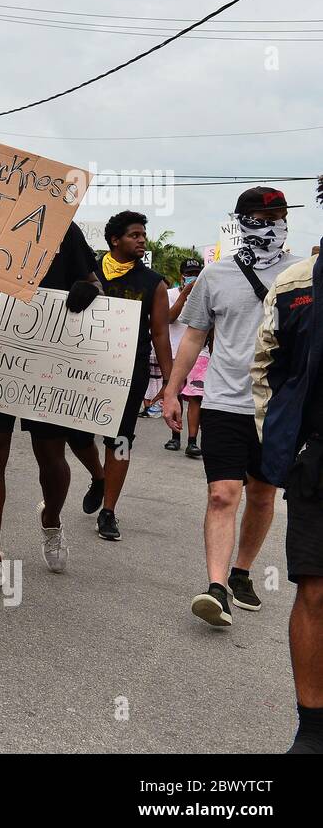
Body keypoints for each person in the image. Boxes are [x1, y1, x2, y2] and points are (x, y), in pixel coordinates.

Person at [164, 186, 299, 626]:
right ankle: (216, 587)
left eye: (277, 215)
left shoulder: (302, 274)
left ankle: (242, 571)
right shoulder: (216, 276)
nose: (271, 224)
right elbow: (194, 336)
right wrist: (172, 389)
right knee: (223, 494)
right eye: (261, 217)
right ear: (242, 223)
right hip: (223, 400)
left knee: (262, 495)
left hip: (277, 408)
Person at [0, 219, 103, 593]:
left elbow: (92, 280)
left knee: (51, 456)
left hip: (49, 356)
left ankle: (51, 519)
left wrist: (88, 289)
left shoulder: (64, 231)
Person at [250, 228, 323, 753]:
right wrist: (283, 446)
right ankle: (312, 727)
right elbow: (267, 369)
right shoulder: (297, 285)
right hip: (317, 459)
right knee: (316, 590)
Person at [87, 211, 172, 541]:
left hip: (129, 374)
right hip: (84, 370)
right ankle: (98, 476)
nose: (142, 240)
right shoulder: (87, 272)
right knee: (78, 436)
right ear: (114, 240)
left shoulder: (154, 283)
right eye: (134, 235)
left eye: (143, 235)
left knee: (120, 440)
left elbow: (161, 334)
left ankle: (108, 511)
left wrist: (169, 382)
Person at [165, 257, 209, 458]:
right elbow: (169, 318)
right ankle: (175, 436)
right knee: (176, 395)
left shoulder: (206, 294)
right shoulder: (170, 294)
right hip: (175, 353)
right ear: (181, 276)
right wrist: (184, 295)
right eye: (189, 274)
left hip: (200, 354)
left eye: (197, 274)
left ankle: (192, 441)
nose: (193, 278)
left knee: (195, 397)